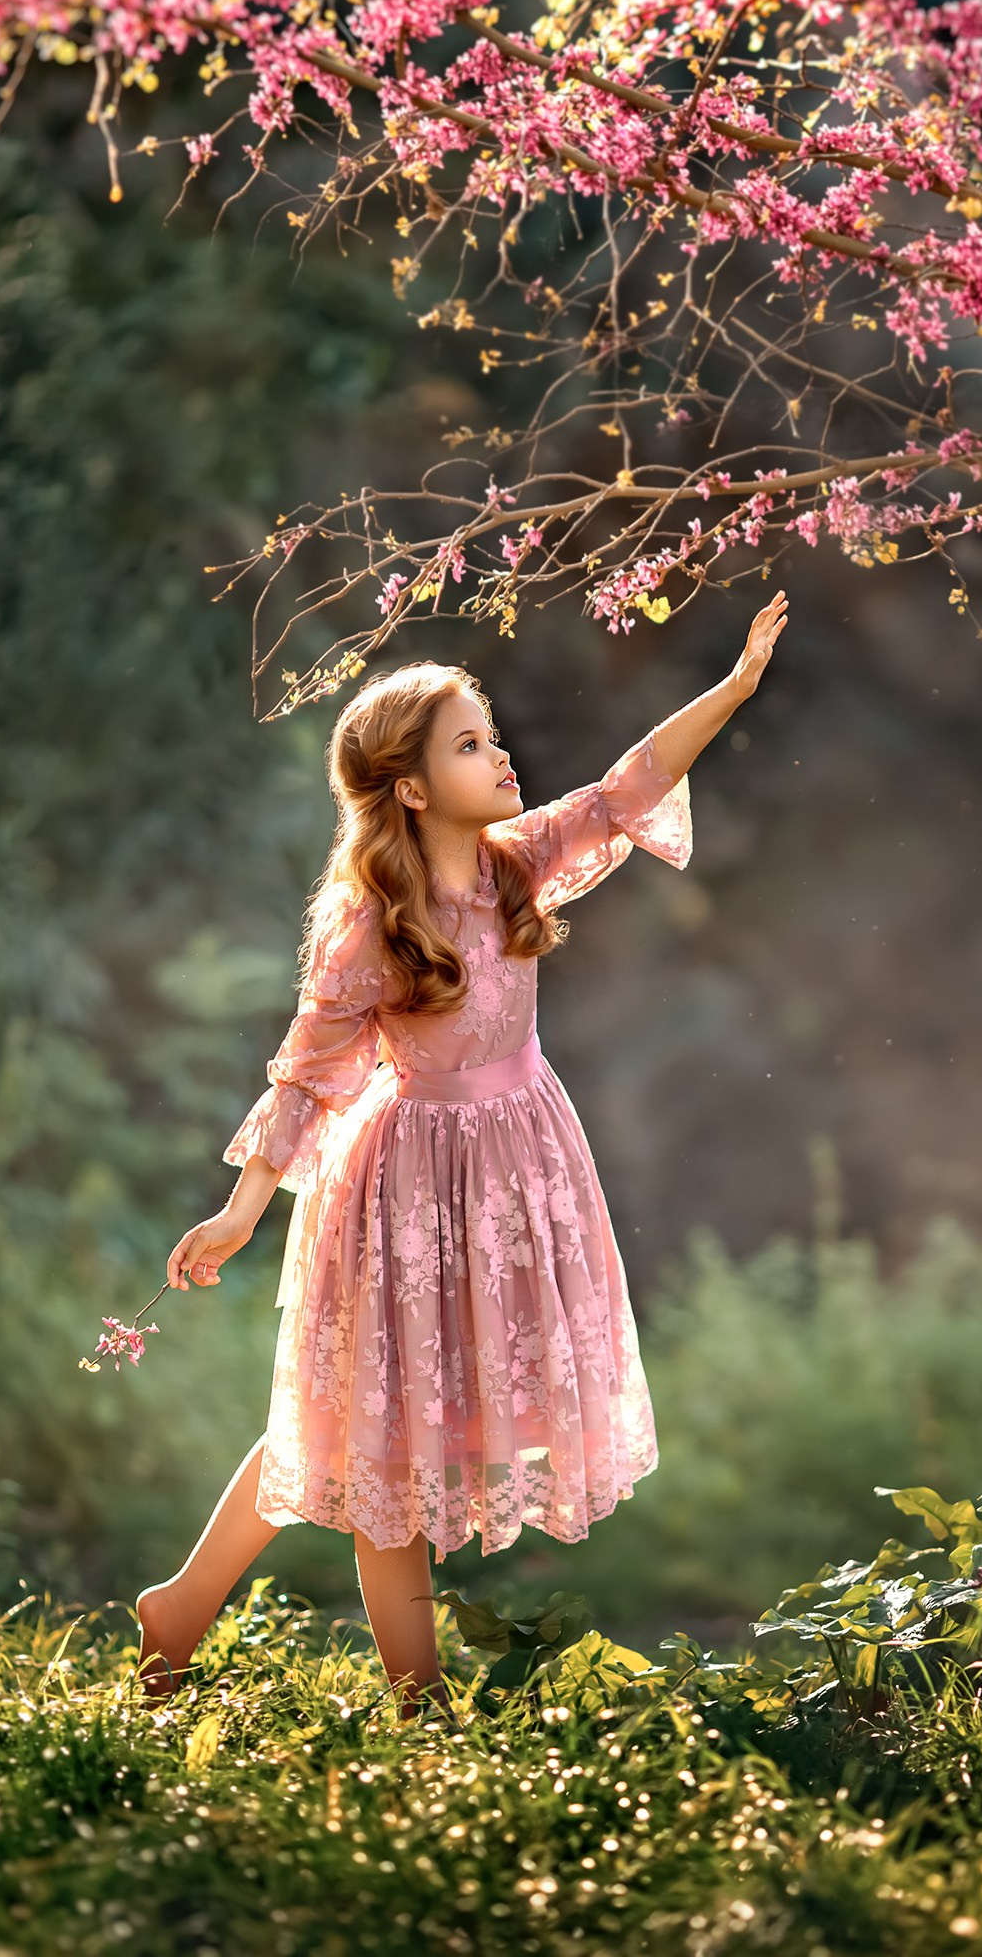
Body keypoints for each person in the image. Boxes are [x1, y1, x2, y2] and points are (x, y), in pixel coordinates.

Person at [134, 593, 789, 1715]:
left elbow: (628, 784)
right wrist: (242, 1211)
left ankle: (184, 1605)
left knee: (382, 1430)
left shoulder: (515, 863)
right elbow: (305, 1072)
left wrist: (730, 690)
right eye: (472, 743)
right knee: (370, 1440)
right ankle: (419, 1702)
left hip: (516, 1168)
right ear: (412, 786)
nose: (504, 755)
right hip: (404, 1190)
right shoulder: (372, 926)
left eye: (494, 734)